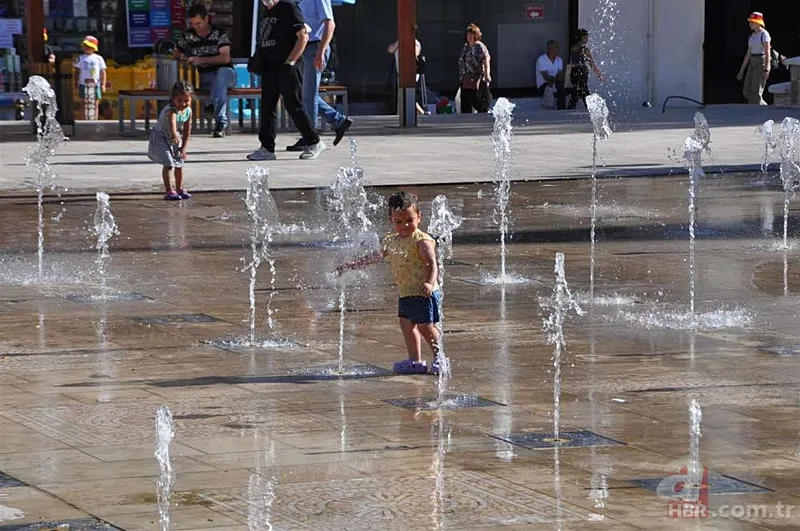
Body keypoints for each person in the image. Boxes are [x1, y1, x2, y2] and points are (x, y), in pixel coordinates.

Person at [337, 191, 442, 375]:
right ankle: (415, 361)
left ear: (419, 217)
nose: (405, 225)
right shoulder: (391, 241)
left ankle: (440, 357)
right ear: (391, 220)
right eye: (399, 222)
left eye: (410, 220)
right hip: (406, 292)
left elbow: (432, 264)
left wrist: (429, 283)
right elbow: (375, 257)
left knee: (426, 326)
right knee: (406, 325)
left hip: (423, 290)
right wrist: (352, 265)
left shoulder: (422, 241)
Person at [247, 0, 325, 161]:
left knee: (293, 104)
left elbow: (303, 36)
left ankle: (313, 141)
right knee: (267, 106)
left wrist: (291, 61)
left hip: (287, 64)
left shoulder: (288, 7)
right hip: (269, 66)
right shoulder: (267, 12)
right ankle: (267, 147)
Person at [288, 0, 351, 152]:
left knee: (308, 95)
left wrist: (321, 51)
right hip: (301, 48)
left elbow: (330, 24)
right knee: (303, 93)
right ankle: (338, 121)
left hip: (315, 47)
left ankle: (310, 137)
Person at [176, 4, 237, 137]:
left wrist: (201, 60)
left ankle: (214, 107)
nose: (196, 27)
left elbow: (225, 58)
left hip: (227, 74)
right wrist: (183, 57)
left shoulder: (219, 33)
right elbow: (177, 53)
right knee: (218, 86)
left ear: (206, 19)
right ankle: (219, 122)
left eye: (198, 23)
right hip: (206, 77)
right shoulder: (187, 36)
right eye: (193, 24)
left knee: (221, 74)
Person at [148, 81, 193, 201]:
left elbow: (187, 128)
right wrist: (174, 135)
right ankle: (169, 190)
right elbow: (172, 123)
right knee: (168, 164)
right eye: (179, 100)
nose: (183, 104)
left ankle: (179, 188)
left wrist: (183, 147)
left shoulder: (188, 111)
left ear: (191, 99)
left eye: (186, 101)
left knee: (179, 163)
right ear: (173, 99)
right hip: (161, 137)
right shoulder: (171, 110)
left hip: (174, 137)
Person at [387, 33, 428, 115]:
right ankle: (416, 113)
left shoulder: (415, 42)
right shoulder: (398, 43)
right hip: (401, 74)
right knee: (403, 96)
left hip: (411, 73)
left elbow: (416, 52)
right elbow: (390, 50)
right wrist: (399, 43)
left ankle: (421, 113)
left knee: (409, 96)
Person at [737, 12, 771, 106]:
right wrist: (741, 70)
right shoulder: (751, 35)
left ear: (758, 23)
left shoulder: (764, 34)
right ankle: (762, 106)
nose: (750, 24)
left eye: (752, 22)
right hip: (752, 60)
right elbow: (748, 53)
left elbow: (767, 52)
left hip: (761, 61)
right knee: (746, 90)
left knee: (756, 91)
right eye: (750, 22)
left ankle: (756, 110)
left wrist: (767, 69)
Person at [458, 23, 492, 114]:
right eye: (468, 34)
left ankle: (483, 113)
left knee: (476, 99)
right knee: (465, 100)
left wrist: (487, 73)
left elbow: (486, 59)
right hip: (465, 78)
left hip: (476, 77)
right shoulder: (466, 47)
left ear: (476, 35)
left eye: (471, 34)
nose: (469, 36)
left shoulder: (479, 46)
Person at [567, 29, 604, 110]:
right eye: (585, 38)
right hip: (581, 71)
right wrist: (598, 74)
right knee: (583, 90)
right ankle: (590, 107)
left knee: (577, 90)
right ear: (581, 38)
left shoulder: (573, 47)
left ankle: (572, 106)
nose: (587, 40)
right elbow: (591, 63)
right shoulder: (584, 49)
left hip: (574, 71)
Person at [73, 35, 107, 120]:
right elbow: (77, 71)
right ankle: (84, 120)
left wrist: (103, 84)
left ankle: (94, 120)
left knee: (95, 103)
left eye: (88, 46)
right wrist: (76, 83)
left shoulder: (98, 58)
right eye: (85, 46)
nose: (86, 48)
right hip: (83, 83)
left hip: (95, 84)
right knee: (84, 102)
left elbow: (102, 72)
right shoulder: (80, 58)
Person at [535, 40, 565, 110]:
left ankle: (561, 108)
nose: (559, 49)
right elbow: (546, 77)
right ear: (551, 48)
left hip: (555, 83)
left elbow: (560, 75)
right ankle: (560, 109)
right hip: (543, 85)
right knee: (559, 86)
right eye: (557, 47)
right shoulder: (541, 59)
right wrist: (556, 79)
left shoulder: (559, 60)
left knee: (561, 86)